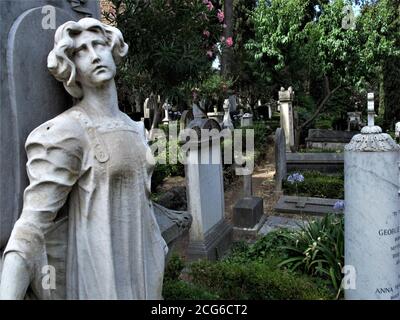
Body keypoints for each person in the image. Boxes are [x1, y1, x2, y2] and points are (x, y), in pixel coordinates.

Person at [0, 18, 168, 300]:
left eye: (99, 44)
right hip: (100, 281)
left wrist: (159, 251)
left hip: (145, 273)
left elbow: (145, 207)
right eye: (80, 51)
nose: (94, 55)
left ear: (112, 50)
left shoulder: (134, 128)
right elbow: (31, 228)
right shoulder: (67, 133)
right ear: (71, 67)